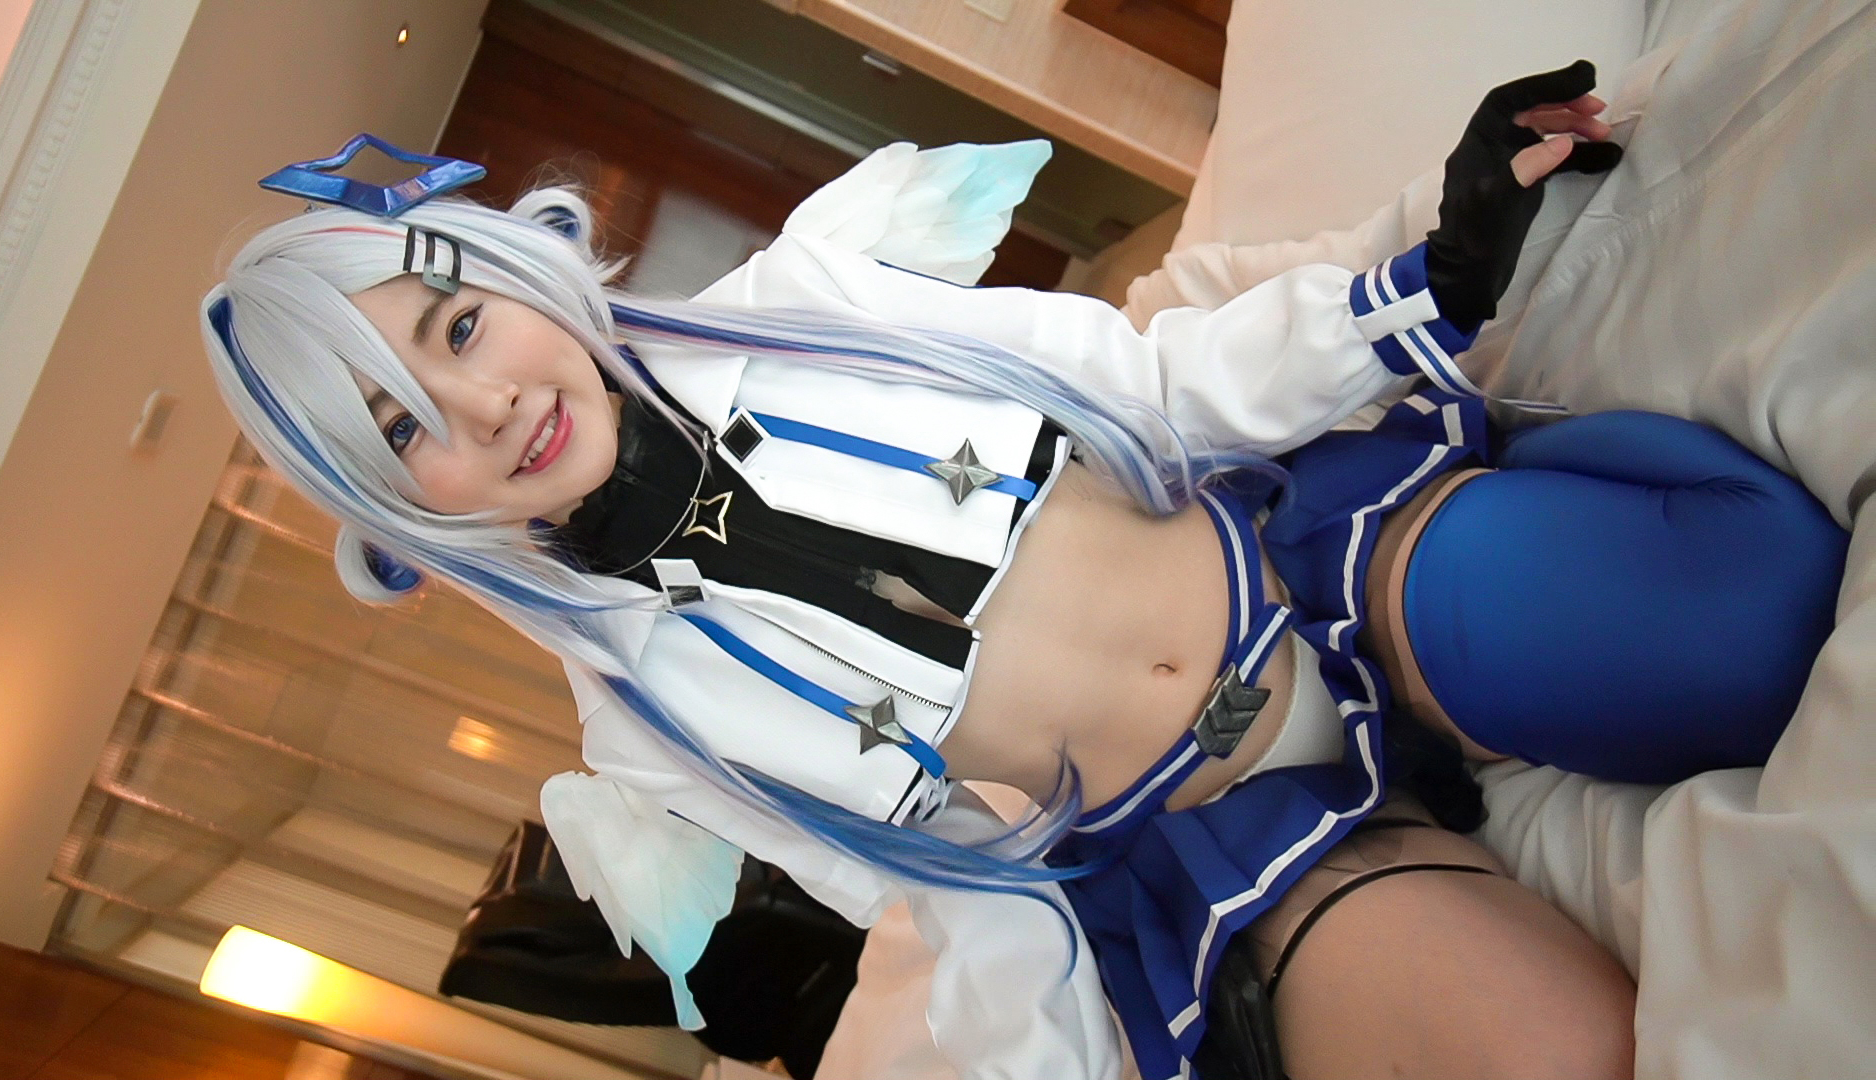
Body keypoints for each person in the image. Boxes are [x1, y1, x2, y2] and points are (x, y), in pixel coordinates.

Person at [199, 62, 1845, 1080]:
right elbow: (945, 893)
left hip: (1309, 582)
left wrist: (1423, 274)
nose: (482, 406)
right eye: (404, 430)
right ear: (399, 508)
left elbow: (1152, 383)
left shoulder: (816, 295)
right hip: (1219, 845)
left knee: (1748, 620)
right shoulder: (640, 733)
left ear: (513, 267)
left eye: (458, 329)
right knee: (1562, 1061)